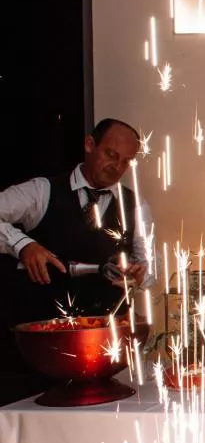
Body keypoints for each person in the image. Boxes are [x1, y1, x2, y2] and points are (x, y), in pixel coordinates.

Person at [0, 118, 153, 404]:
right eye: (111, 154)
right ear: (89, 144)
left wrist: (138, 273)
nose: (117, 167)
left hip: (105, 353)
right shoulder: (42, 191)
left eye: (126, 161)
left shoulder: (135, 206)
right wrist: (22, 245)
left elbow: (148, 265)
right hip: (43, 353)